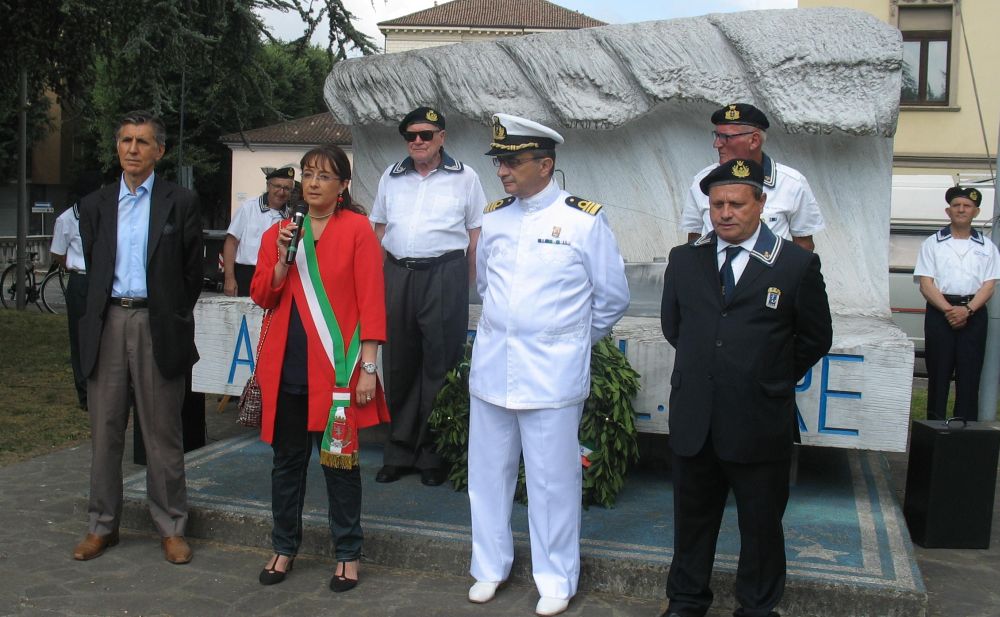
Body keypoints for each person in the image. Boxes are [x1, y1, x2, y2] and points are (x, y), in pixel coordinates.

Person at [466, 114, 630, 617]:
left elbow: (611, 298)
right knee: (488, 476)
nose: (503, 171)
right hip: (494, 369)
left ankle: (556, 576)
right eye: (499, 162)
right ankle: (489, 568)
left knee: (553, 481)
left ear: (546, 163)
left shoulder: (583, 220)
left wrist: (568, 340)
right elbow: (485, 288)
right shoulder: (493, 219)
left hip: (552, 374)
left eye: (513, 161)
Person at [660, 158, 833, 617]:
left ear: (760, 204)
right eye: (717, 204)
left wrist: (767, 375)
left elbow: (815, 338)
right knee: (692, 522)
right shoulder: (685, 260)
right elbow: (675, 327)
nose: (725, 213)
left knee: (760, 526)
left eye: (736, 203)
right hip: (696, 417)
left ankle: (756, 607)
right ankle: (685, 602)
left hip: (758, 419)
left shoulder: (794, 264)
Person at [250, 144, 389, 591]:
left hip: (336, 372)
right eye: (307, 174)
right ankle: (283, 546)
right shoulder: (281, 233)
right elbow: (264, 296)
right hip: (287, 368)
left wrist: (368, 367)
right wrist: (281, 260)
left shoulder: (358, 230)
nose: (312, 183)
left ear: (343, 186)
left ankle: (348, 552)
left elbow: (371, 301)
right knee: (286, 464)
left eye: (324, 176)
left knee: (340, 465)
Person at [74, 110, 203, 565]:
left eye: (142, 142)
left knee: (162, 432)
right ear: (117, 147)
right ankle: (101, 526)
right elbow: (93, 267)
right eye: (126, 140)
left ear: (159, 151)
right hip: (108, 322)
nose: (132, 149)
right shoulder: (96, 205)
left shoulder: (180, 201)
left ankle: (171, 526)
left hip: (157, 325)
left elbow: (191, 273)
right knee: (105, 430)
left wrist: (167, 314)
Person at [370, 106, 486, 486]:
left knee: (440, 364)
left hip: (444, 275)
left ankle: (432, 454)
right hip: (398, 273)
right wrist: (377, 279)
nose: (418, 141)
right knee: (399, 363)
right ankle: (399, 450)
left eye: (426, 134)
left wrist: (466, 286)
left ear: (442, 137)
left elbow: (475, 235)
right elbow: (380, 228)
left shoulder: (465, 177)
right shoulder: (392, 175)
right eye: (411, 136)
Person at [681, 103, 824, 251]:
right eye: (717, 135)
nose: (716, 144)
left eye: (726, 137)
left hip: (770, 272)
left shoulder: (791, 183)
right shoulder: (703, 180)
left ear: (754, 141)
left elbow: (803, 245)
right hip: (714, 273)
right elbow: (694, 239)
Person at [914, 186, 1000, 421]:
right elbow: (926, 283)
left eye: (967, 206)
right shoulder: (932, 244)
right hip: (940, 313)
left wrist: (968, 310)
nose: (961, 210)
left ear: (976, 211)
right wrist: (950, 310)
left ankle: (965, 436)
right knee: (938, 376)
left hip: (974, 315)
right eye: (956, 205)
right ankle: (934, 429)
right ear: (948, 210)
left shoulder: (987, 247)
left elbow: (989, 285)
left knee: (970, 377)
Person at [50, 172, 101, 410]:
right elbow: (58, 253)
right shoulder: (66, 219)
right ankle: (85, 394)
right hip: (80, 279)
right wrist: (75, 265)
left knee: (104, 334)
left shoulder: (105, 215)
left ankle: (105, 389)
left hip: (101, 279)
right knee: (79, 337)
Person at [223, 167, 295, 296]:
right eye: (277, 186)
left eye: (287, 188)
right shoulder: (248, 208)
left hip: (274, 275)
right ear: (268, 186)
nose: (281, 192)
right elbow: (231, 243)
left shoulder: (290, 217)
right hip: (246, 274)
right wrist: (229, 279)